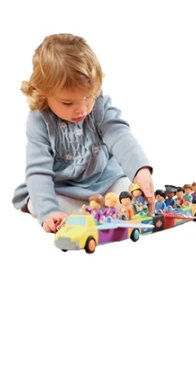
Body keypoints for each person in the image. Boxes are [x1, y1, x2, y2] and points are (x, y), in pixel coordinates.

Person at [12, 33, 156, 233]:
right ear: (43, 93)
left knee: (130, 193)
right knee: (40, 205)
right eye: (68, 102)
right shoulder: (39, 121)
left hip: (105, 182)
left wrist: (140, 170)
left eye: (89, 96)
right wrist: (49, 211)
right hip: (65, 189)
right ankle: (88, 212)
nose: (82, 109)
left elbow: (119, 134)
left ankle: (99, 211)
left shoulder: (99, 107)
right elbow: (38, 170)